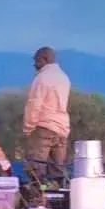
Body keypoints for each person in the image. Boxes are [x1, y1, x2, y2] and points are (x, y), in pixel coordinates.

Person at [21, 46, 71, 175]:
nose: (34, 64)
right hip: (62, 129)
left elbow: (34, 105)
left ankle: (38, 194)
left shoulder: (42, 78)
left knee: (36, 169)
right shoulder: (64, 78)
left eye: (37, 60)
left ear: (44, 59)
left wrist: (28, 129)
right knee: (58, 171)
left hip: (43, 128)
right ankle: (58, 194)